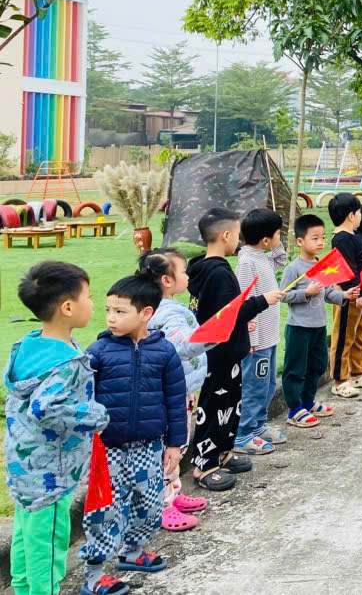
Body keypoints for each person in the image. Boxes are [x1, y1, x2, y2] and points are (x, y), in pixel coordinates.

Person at [5, 262, 109, 595]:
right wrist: (96, 415)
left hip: (24, 466)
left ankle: (23, 589)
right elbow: (46, 407)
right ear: (67, 307)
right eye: (89, 297)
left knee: (27, 535)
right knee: (48, 547)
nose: (93, 304)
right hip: (51, 471)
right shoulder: (66, 362)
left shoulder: (30, 346)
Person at [80, 268, 187, 590]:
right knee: (104, 512)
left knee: (150, 504)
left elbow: (175, 398)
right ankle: (95, 574)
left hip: (150, 447)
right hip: (106, 450)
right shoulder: (97, 352)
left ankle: (133, 551)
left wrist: (175, 444)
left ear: (146, 314)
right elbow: (82, 400)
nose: (111, 318)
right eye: (108, 311)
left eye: (120, 311)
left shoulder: (164, 351)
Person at [188, 208, 284, 492]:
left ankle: (222, 451)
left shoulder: (208, 267)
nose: (238, 240)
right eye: (237, 233)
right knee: (213, 407)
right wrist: (262, 301)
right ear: (226, 235)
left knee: (230, 406)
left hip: (228, 352)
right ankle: (204, 465)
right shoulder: (217, 272)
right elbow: (230, 312)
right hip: (218, 353)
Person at [144, 249, 211, 532]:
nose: (187, 276)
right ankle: (164, 505)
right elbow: (181, 345)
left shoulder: (165, 306)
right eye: (183, 271)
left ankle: (173, 489)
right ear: (166, 280)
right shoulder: (166, 312)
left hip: (182, 390)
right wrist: (212, 335)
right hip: (172, 394)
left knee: (177, 445)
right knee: (169, 448)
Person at [281, 214, 349, 427]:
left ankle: (308, 402)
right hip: (299, 327)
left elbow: (328, 292)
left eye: (323, 237)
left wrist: (345, 296)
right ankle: (294, 409)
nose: (320, 242)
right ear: (300, 241)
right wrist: (306, 293)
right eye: (315, 238)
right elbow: (283, 295)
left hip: (319, 326)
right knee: (296, 369)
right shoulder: (294, 268)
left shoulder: (321, 265)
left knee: (318, 365)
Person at [234, 208, 288, 455]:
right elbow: (244, 304)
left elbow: (281, 259)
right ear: (265, 239)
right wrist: (251, 339)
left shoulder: (261, 256)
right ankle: (243, 433)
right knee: (254, 386)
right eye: (278, 234)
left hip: (269, 337)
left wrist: (276, 243)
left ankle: (257, 426)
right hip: (256, 342)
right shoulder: (247, 263)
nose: (280, 238)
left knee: (266, 385)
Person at [328, 194, 362, 398]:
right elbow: (347, 268)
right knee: (344, 338)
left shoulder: (355, 234)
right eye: (359, 212)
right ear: (351, 215)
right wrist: (357, 291)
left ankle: (358, 372)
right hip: (351, 294)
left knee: (359, 335)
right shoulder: (341, 239)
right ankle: (340, 380)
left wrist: (361, 217)